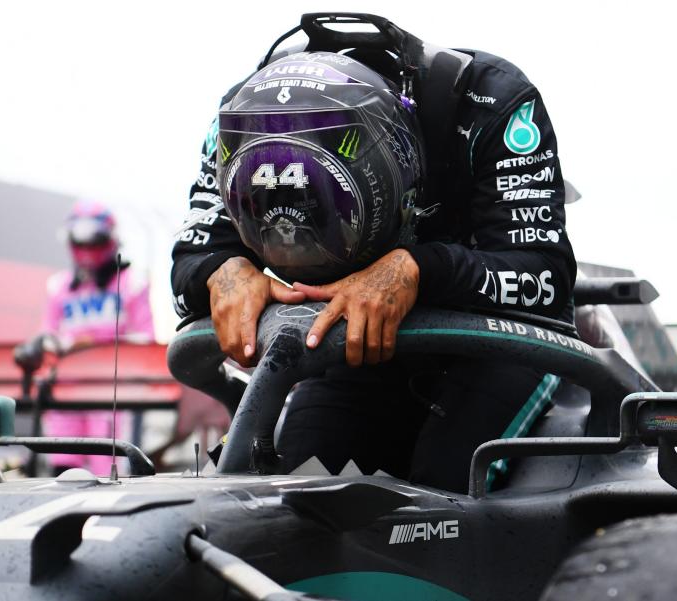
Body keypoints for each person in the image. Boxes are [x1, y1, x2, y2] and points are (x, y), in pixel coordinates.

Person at [171, 15, 576, 493]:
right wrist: (222, 271)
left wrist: (416, 270)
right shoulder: (241, 122)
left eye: (319, 209)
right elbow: (191, 260)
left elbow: (546, 277)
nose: (296, 244)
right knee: (292, 494)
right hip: (353, 348)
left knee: (446, 490)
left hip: (498, 342)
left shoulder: (489, 103)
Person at [19, 200, 155, 475]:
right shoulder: (58, 286)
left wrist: (96, 345)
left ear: (109, 237)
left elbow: (146, 341)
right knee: (62, 471)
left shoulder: (132, 282)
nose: (86, 244)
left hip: (113, 395)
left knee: (109, 471)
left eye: (93, 236)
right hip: (64, 394)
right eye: (80, 237)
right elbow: (48, 337)